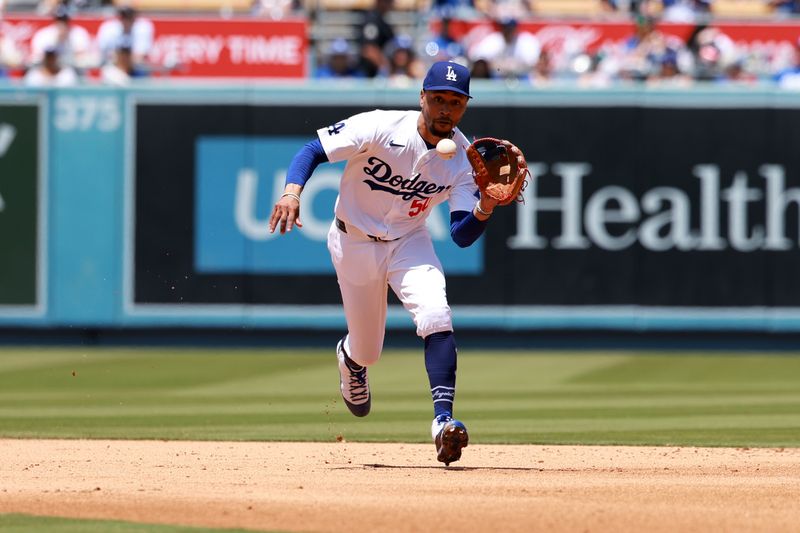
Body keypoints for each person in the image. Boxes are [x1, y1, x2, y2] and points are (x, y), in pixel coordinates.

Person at [268, 61, 503, 466]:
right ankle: (351, 359)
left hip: (410, 241)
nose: (446, 108)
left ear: (465, 105)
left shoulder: (464, 161)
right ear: (422, 98)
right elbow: (312, 150)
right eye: (438, 99)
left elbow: (462, 236)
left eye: (455, 101)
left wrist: (485, 206)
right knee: (369, 350)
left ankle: (442, 423)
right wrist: (291, 193)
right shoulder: (380, 125)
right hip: (353, 240)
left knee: (436, 314)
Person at [29, 4, 94, 71]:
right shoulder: (44, 34)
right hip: (49, 68)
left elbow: (82, 54)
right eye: (59, 21)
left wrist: (66, 39)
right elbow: (38, 55)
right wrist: (56, 40)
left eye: (64, 21)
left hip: (72, 69)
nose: (62, 24)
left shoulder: (78, 32)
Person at [357, 0, 396, 78]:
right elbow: (368, 49)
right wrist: (386, 68)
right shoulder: (372, 19)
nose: (390, 4)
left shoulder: (382, 20)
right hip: (369, 75)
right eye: (387, 1)